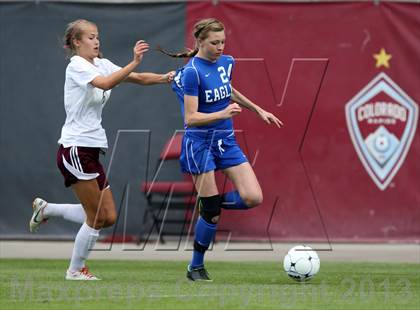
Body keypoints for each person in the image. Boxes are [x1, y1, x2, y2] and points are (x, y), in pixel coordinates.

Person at [29, 19, 175, 280]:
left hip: (92, 150)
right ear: (76, 42)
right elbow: (106, 84)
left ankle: (47, 210)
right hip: (75, 148)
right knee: (96, 216)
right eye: (90, 37)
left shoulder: (102, 64)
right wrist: (133, 61)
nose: (96, 41)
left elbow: (137, 77)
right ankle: (75, 270)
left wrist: (166, 78)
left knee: (107, 216)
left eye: (97, 36)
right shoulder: (76, 66)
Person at [160, 18, 283, 281]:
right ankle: (195, 266)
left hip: (225, 141)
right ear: (200, 42)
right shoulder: (192, 71)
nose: (220, 47)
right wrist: (224, 112)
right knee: (212, 215)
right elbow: (191, 118)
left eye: (223, 42)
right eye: (214, 42)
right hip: (199, 143)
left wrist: (258, 109)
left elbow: (228, 89)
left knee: (253, 197)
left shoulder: (227, 62)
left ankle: (209, 205)